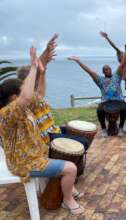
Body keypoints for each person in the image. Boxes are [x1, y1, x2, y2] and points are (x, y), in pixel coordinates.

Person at [0, 47, 84, 215]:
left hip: (36, 153)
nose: (28, 92)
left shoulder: (21, 108)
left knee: (62, 153)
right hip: (24, 162)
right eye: (23, 90)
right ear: (14, 98)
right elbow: (27, 97)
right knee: (71, 168)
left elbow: (39, 94)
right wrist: (33, 67)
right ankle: (68, 200)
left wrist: (42, 73)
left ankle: (69, 188)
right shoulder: (7, 114)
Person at [17, 34, 90, 151]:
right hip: (48, 137)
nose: (37, 77)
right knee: (84, 143)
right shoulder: (26, 98)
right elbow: (36, 69)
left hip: (54, 129)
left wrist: (46, 56)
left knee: (82, 134)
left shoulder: (36, 93)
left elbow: (40, 69)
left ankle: (75, 162)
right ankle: (70, 164)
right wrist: (45, 53)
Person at [68, 44, 126, 138]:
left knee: (125, 108)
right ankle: (104, 129)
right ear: (103, 72)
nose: (108, 70)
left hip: (118, 100)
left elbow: (122, 63)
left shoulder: (116, 76)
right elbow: (89, 71)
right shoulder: (100, 80)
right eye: (106, 70)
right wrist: (77, 60)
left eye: (109, 69)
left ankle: (121, 128)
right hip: (106, 101)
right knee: (99, 110)